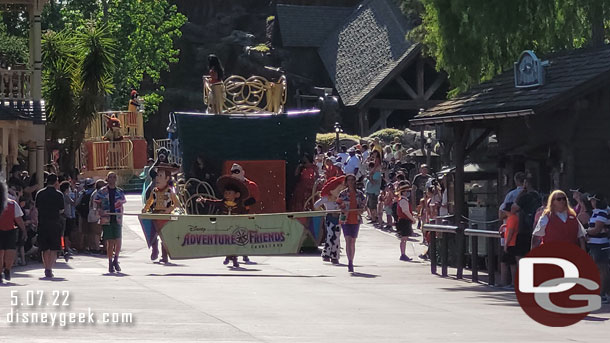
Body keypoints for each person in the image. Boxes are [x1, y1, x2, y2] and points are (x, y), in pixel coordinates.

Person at [197, 176, 249, 268]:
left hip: (236, 227)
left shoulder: (240, 206)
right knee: (226, 242)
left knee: (235, 243)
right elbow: (214, 202)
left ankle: (234, 258)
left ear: (236, 195)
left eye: (229, 193)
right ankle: (229, 257)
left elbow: (244, 214)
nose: (227, 195)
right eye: (226, 193)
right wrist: (204, 200)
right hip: (225, 227)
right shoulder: (223, 203)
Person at [143, 164, 181, 263]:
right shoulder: (154, 191)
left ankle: (164, 256)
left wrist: (169, 210)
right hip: (155, 214)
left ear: (167, 178)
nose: (157, 178)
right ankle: (154, 249)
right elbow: (150, 201)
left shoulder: (169, 191)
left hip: (165, 217)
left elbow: (177, 204)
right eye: (157, 176)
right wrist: (145, 209)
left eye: (160, 176)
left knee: (164, 236)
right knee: (153, 234)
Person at [94, 172, 127, 273]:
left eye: (114, 177)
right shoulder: (102, 192)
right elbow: (97, 203)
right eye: (110, 177)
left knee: (118, 239)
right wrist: (99, 212)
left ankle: (116, 259)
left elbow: (122, 203)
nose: (112, 179)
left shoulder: (119, 191)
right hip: (106, 218)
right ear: (107, 179)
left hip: (117, 218)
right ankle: (110, 261)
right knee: (110, 241)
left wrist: (121, 214)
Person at [35, 174, 64, 278]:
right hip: (54, 222)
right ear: (56, 182)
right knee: (54, 247)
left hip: (42, 222)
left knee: (44, 247)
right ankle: (49, 268)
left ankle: (46, 267)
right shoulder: (59, 194)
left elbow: (37, 207)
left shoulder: (40, 193)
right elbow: (61, 209)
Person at [230, 163, 260, 263]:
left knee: (244, 233)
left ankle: (245, 254)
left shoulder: (251, 185)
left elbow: (254, 198)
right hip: (233, 213)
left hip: (245, 213)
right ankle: (233, 255)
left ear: (243, 172)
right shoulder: (230, 186)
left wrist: (242, 204)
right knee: (232, 233)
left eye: (237, 171)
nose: (235, 174)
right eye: (233, 172)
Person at [336, 174, 365, 273]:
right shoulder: (343, 193)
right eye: (348, 180)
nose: (350, 182)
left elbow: (363, 205)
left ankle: (351, 259)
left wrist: (361, 209)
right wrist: (343, 207)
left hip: (355, 218)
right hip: (345, 219)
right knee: (348, 240)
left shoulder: (359, 194)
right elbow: (338, 204)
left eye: (352, 180)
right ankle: (350, 262)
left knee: (353, 241)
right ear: (346, 181)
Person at [585, 193, 610, 304]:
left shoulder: (602, 213)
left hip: (601, 245)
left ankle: (603, 294)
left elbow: (596, 229)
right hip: (594, 244)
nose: (591, 202)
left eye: (593, 200)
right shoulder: (596, 213)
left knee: (602, 270)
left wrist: (585, 231)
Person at [315, 176, 346, 264]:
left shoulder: (341, 198)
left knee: (337, 236)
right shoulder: (326, 198)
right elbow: (316, 205)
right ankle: (326, 254)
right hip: (329, 217)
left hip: (339, 218)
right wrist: (323, 212)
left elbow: (345, 208)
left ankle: (335, 256)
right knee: (330, 235)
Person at [0, 181, 26, 283]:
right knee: (8, 251)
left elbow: (18, 219)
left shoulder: (12, 203)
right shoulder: (12, 203)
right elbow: (18, 219)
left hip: (9, 230)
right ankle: (6, 270)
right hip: (10, 230)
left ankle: (5, 271)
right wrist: (23, 230)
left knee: (4, 252)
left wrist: (23, 230)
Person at [396, 182, 416, 261]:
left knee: (404, 238)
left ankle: (403, 254)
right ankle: (403, 254)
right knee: (404, 238)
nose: (408, 193)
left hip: (403, 220)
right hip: (404, 221)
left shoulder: (402, 200)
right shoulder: (403, 201)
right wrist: (413, 219)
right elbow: (405, 211)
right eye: (407, 191)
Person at [501, 202, 519, 288]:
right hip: (512, 243)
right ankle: (506, 282)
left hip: (511, 243)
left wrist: (506, 244)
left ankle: (511, 283)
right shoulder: (512, 218)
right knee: (507, 262)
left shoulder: (512, 218)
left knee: (511, 264)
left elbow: (511, 232)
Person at [76, 178, 96, 253]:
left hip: (83, 213)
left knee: (83, 231)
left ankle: (83, 246)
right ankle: (90, 246)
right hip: (91, 214)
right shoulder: (94, 193)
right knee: (91, 231)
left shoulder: (83, 193)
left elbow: (77, 203)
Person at [60, 181, 77, 255]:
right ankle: (65, 247)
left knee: (63, 233)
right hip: (67, 216)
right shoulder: (66, 196)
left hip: (62, 215)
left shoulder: (61, 195)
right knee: (66, 234)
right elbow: (74, 203)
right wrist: (76, 194)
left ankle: (63, 247)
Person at [364, 157, 382, 224]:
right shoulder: (371, 173)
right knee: (369, 205)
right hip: (369, 191)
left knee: (373, 206)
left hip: (374, 192)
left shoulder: (377, 174)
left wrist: (370, 178)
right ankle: (372, 217)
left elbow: (374, 182)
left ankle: (375, 218)